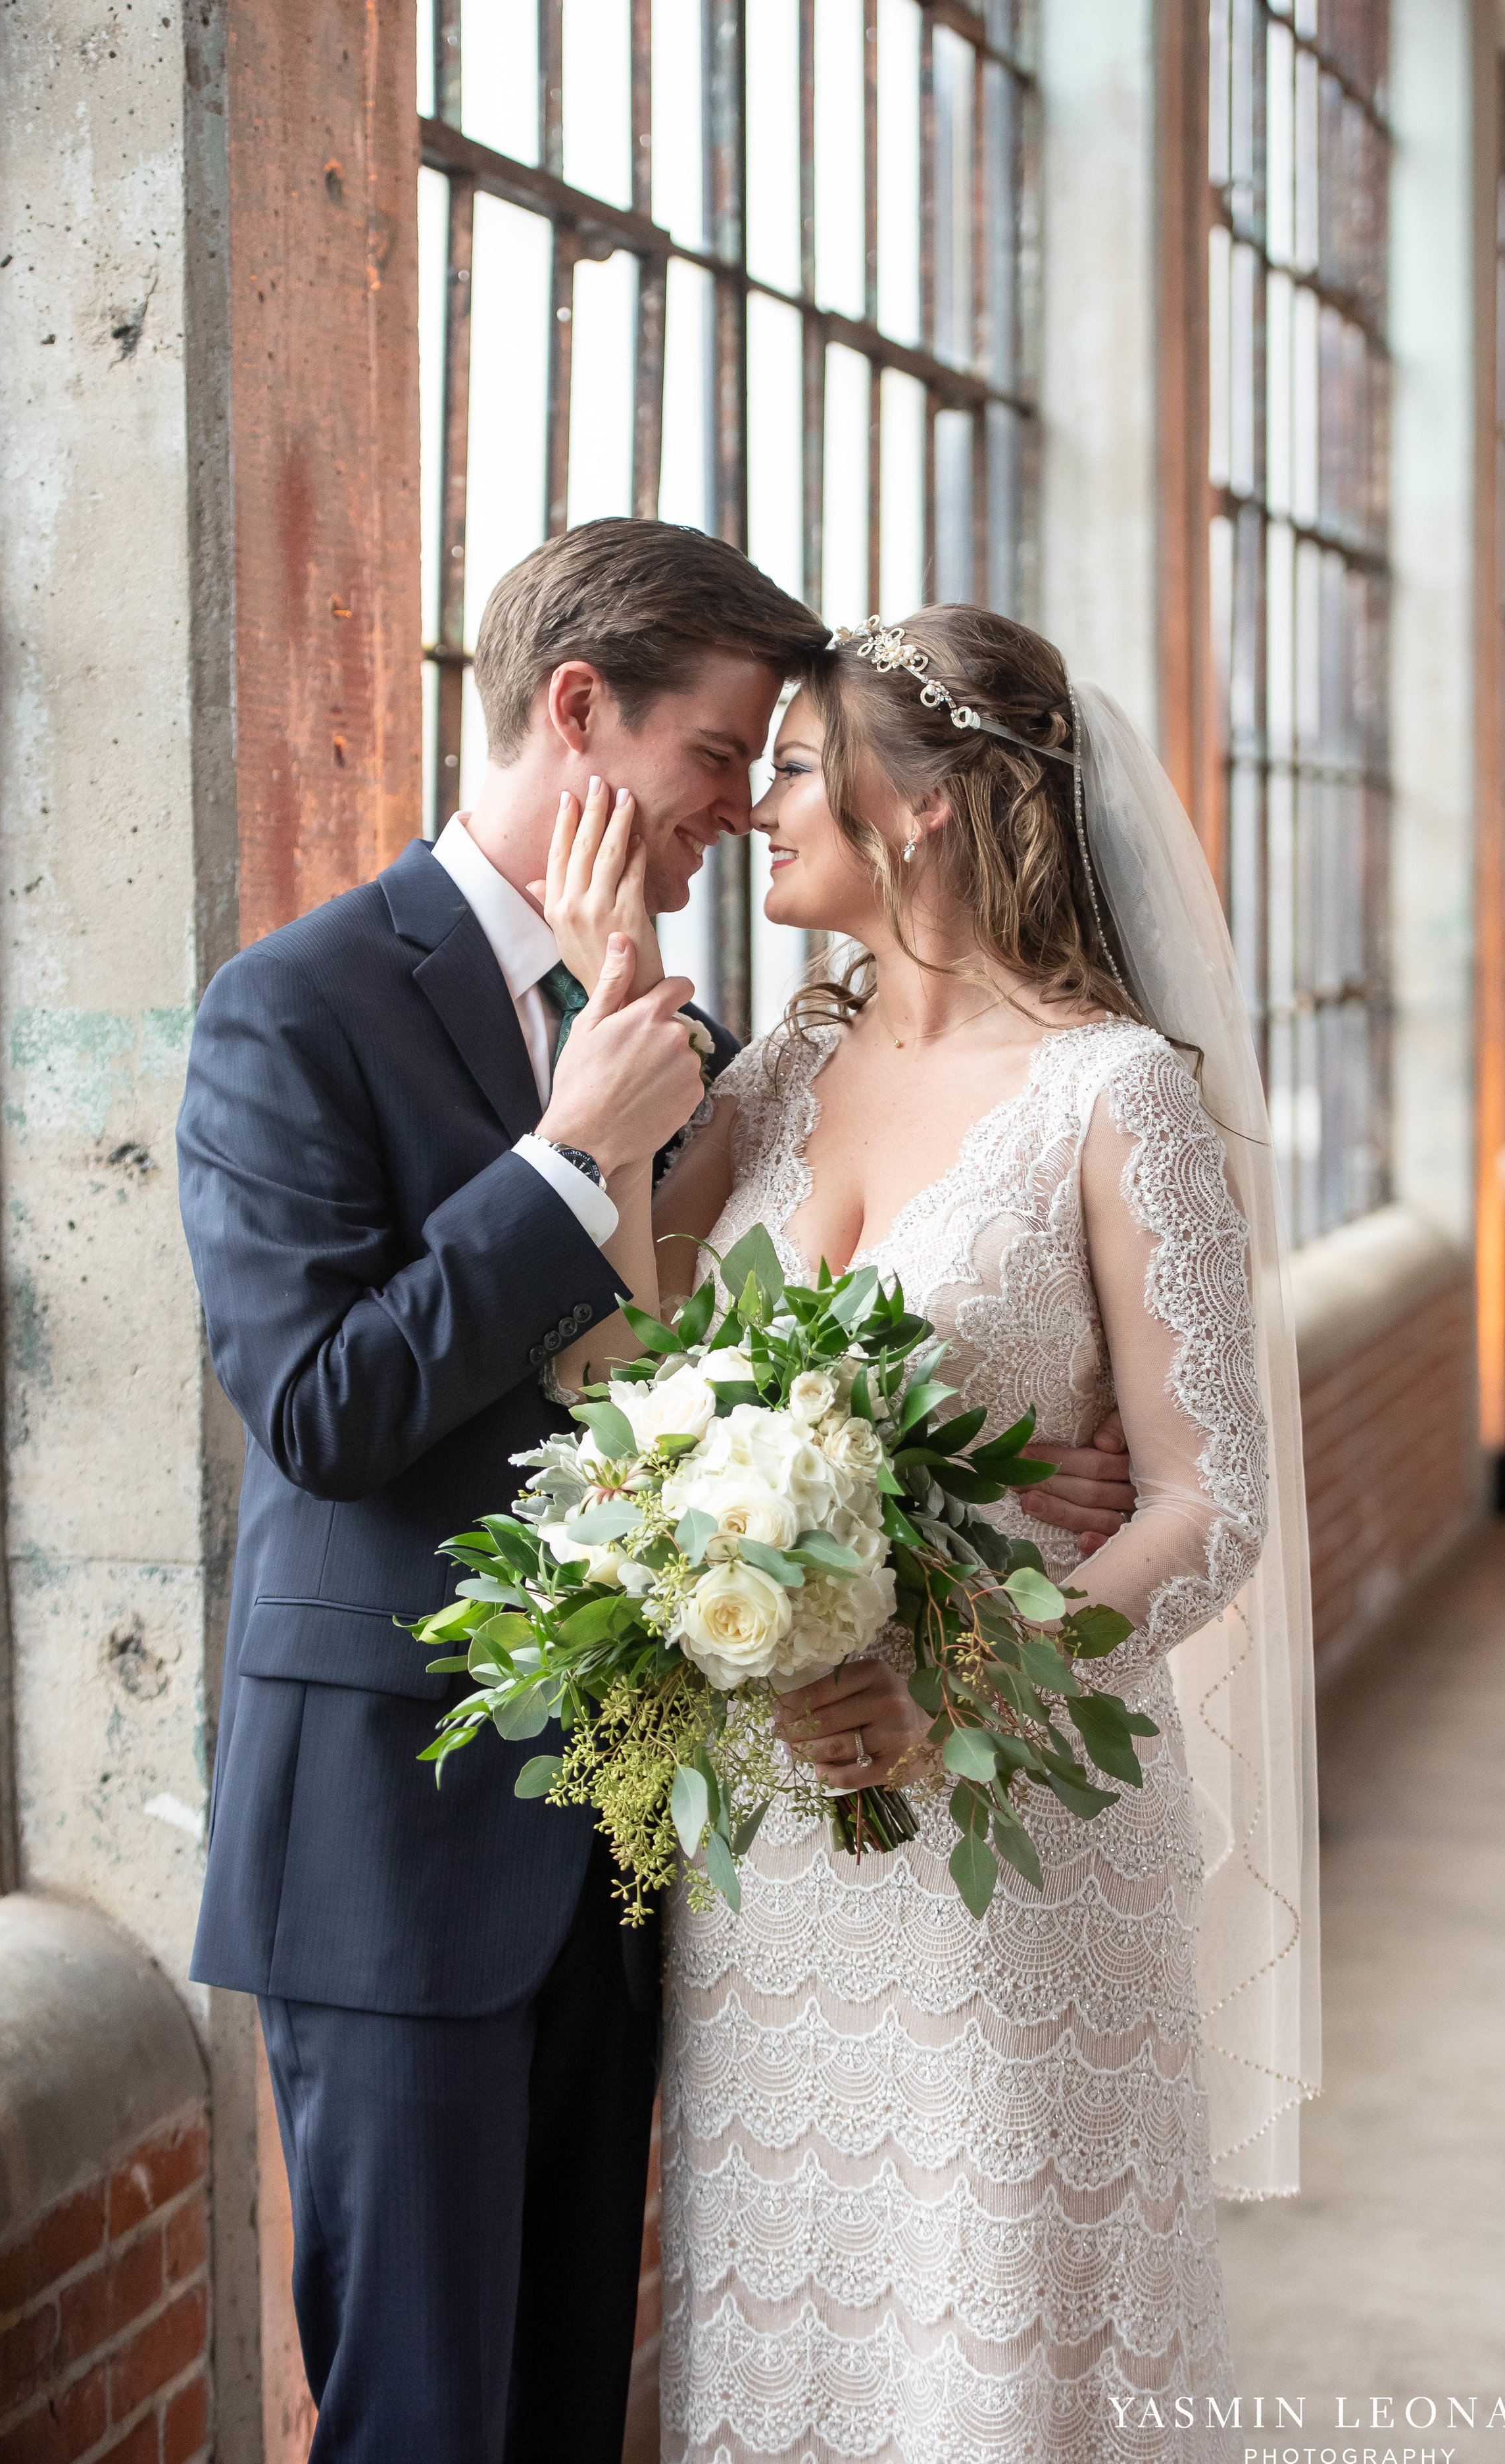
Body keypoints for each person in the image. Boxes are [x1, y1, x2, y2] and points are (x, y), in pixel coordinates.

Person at [539, 603, 1320, 2464]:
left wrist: (954, 1648)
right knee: (792, 2339)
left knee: (988, 2352)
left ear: (934, 808)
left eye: (796, 764)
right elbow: (618, 1378)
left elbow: (1212, 1507)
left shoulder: (1113, 1092)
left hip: (1009, 1834)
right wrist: (603, 979)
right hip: (777, 1852)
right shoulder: (772, 1079)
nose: (758, 807)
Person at [177, 518, 830, 2464]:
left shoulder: (677, 1035)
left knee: (560, 2403)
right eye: (720, 752)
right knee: (418, 2419)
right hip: (395, 1838)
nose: (738, 804)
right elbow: (317, 1406)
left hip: (617, 1839)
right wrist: (565, 1163)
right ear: (579, 713)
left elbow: (707, 1393)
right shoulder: (290, 1009)